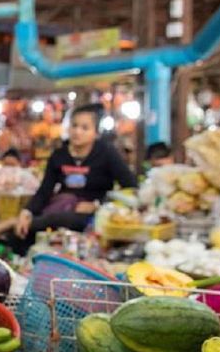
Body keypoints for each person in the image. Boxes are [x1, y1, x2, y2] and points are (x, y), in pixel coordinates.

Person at [8, 104, 138, 252]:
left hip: (92, 215)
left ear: (95, 133)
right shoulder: (59, 155)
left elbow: (130, 187)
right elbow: (44, 191)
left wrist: (97, 205)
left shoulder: (107, 154)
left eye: (84, 128)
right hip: (60, 208)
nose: (77, 132)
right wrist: (27, 212)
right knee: (20, 232)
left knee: (52, 221)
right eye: (74, 126)